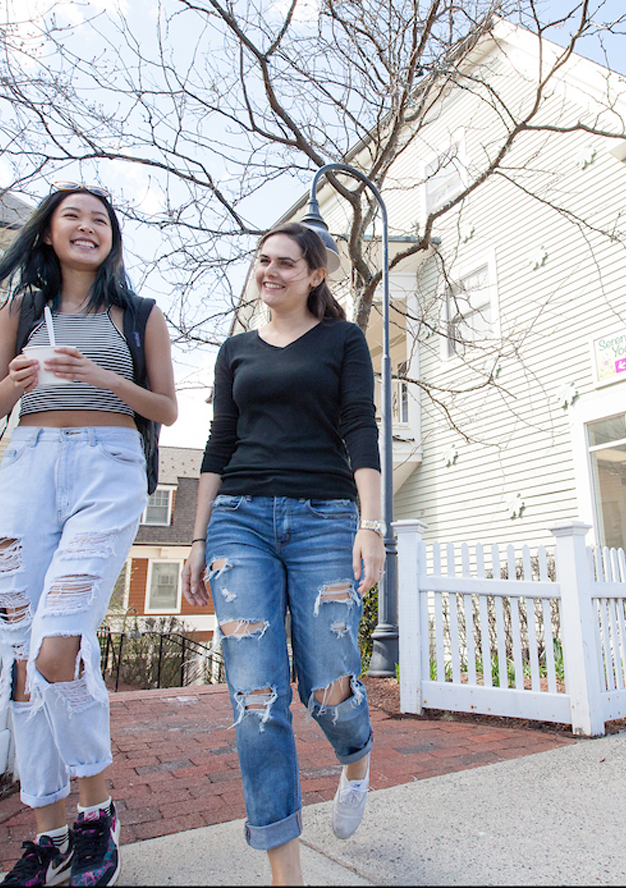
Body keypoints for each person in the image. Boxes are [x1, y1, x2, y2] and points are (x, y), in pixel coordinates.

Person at [0, 183, 178, 887]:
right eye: (73, 217)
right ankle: (49, 833)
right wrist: (20, 380)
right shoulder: (22, 311)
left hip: (108, 469)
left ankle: (97, 811)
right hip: (29, 470)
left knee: (58, 644)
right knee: (24, 662)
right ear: (50, 233)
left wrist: (98, 376)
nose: (87, 227)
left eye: (100, 219)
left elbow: (167, 409)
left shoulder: (139, 315)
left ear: (112, 236)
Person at [180, 221, 383, 886]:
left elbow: (359, 426)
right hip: (239, 521)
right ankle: (285, 875)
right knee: (256, 696)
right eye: (262, 261)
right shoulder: (236, 349)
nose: (269, 271)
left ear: (315, 274)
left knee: (329, 684)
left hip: (324, 517)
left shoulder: (342, 341)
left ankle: (355, 755)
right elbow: (218, 441)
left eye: (285, 263)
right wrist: (196, 536)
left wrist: (371, 525)